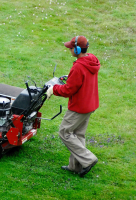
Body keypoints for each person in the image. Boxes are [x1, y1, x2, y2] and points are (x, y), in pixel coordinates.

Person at [46, 35, 100, 177]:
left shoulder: (79, 66)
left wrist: (53, 89)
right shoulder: (91, 61)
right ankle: (75, 166)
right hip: (90, 104)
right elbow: (80, 82)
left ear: (76, 49)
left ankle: (88, 159)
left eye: (71, 48)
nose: (69, 50)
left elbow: (69, 90)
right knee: (78, 134)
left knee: (64, 132)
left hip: (79, 107)